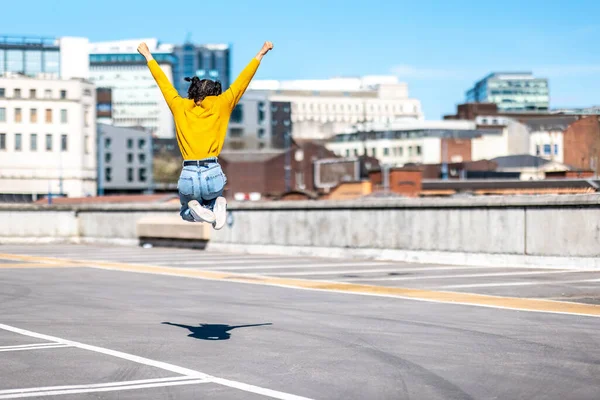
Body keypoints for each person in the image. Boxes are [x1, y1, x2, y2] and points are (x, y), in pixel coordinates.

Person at [137, 41, 274, 229]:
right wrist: (261, 53)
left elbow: (163, 82)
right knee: (211, 198)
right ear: (215, 92)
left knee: (186, 212)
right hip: (212, 171)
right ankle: (215, 203)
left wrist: (147, 55)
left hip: (189, 173)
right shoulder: (222, 104)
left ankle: (197, 208)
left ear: (193, 91)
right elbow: (243, 81)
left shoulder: (179, 106)